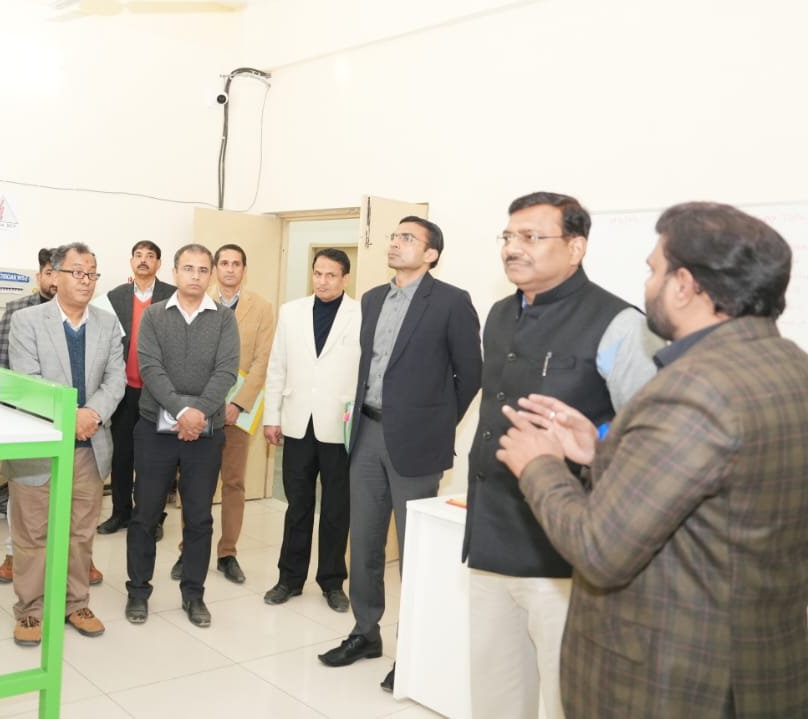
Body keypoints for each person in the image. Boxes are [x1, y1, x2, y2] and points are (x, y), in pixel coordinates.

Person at [497, 202, 808, 719]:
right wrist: (599, 452)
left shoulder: (693, 388)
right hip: (760, 664)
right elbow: (716, 492)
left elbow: (598, 548)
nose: (647, 285)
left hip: (675, 679)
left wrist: (540, 464)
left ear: (684, 285)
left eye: (653, 270)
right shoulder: (790, 366)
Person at [462, 191, 664, 719]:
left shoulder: (618, 322)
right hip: (489, 539)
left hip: (566, 554)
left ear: (576, 248)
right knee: (495, 697)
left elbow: (653, 437)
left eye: (531, 237)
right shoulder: (499, 314)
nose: (513, 248)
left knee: (566, 702)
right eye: (509, 236)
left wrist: (596, 440)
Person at [318, 218, 483, 694]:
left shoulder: (451, 301)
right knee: (365, 543)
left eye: (407, 238)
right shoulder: (372, 299)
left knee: (416, 551)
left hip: (416, 443)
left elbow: (470, 374)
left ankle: (413, 649)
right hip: (367, 432)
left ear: (431, 254)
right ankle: (365, 632)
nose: (395, 243)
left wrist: (434, 423)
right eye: (394, 236)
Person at [5, 243, 125, 646]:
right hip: (39, 446)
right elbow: (28, 380)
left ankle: (76, 603)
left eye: (92, 273)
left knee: (80, 533)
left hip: (90, 447)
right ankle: (30, 610)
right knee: (33, 534)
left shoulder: (107, 324)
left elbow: (116, 380)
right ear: (54, 276)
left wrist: (92, 414)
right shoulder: (26, 321)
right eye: (77, 272)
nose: (85, 280)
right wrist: (71, 416)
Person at [124, 243, 238, 629]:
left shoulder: (224, 319)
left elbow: (226, 371)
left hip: (206, 432)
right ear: (174, 272)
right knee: (145, 515)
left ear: (210, 275)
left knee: (199, 518)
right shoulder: (154, 315)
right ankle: (138, 591)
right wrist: (182, 411)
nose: (195, 276)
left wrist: (198, 414)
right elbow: (150, 368)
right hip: (154, 431)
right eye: (188, 268)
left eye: (203, 270)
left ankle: (194, 595)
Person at [168, 243, 274, 585]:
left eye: (236, 263)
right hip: (200, 410)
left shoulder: (262, 308)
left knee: (233, 483)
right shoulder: (199, 301)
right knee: (195, 483)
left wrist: (238, 403)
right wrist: (203, 406)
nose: (230, 269)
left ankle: (228, 552)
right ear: (215, 269)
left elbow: (262, 361)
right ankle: (188, 550)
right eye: (224, 263)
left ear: (244, 269)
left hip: (238, 412)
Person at [262, 248, 361, 612]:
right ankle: (289, 579)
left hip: (340, 427)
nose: (322, 281)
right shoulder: (291, 312)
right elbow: (277, 367)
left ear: (345, 278)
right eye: (318, 273)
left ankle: (332, 582)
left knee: (337, 509)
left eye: (330, 275)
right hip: (298, 423)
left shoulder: (361, 315)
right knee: (298, 507)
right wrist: (272, 416)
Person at [0, 248, 69, 585]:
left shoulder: (80, 314)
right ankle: (13, 554)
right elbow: (0, 365)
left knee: (71, 497)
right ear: (39, 276)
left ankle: (75, 559)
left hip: (68, 420)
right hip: (26, 419)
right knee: (21, 494)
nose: (54, 281)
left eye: (60, 273)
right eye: (49, 273)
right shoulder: (17, 310)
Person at [98, 241, 175, 537]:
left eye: (150, 256)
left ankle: (152, 517)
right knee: (122, 455)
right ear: (131, 261)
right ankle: (120, 512)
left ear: (159, 263)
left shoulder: (172, 295)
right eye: (138, 255)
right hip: (124, 390)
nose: (144, 260)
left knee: (155, 459)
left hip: (158, 391)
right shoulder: (115, 297)